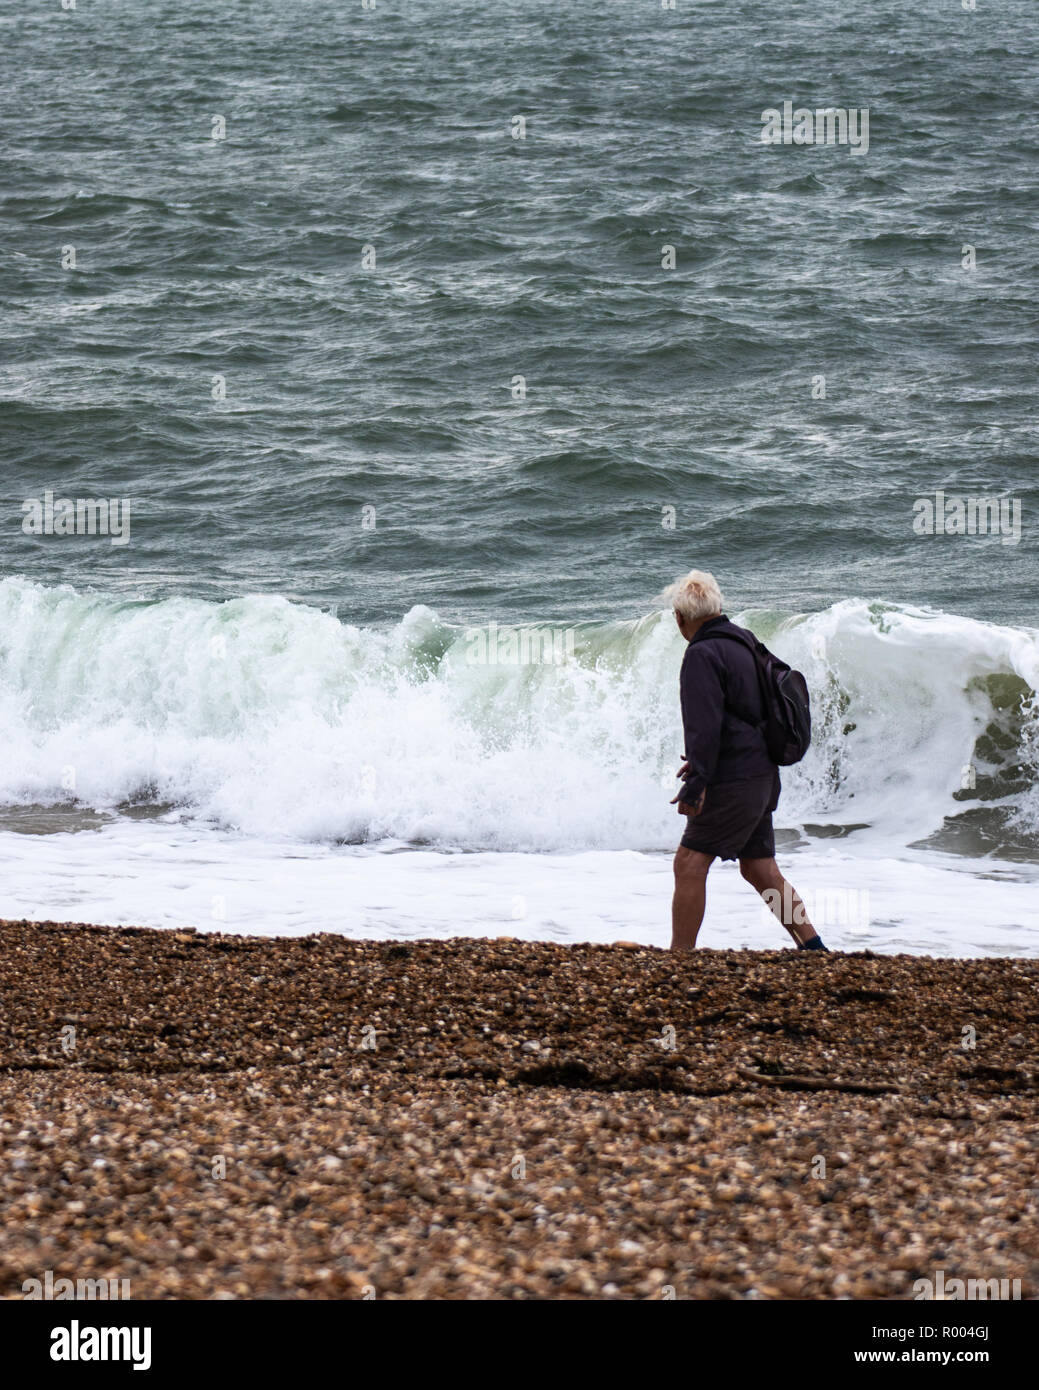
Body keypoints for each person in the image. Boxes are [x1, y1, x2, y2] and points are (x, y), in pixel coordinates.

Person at [661, 569, 828, 953]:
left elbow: (704, 726)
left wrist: (697, 781)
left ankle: (679, 957)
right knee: (759, 867)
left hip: (733, 778)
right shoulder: (747, 642)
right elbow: (743, 716)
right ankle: (813, 947)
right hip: (762, 774)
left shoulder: (701, 653)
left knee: (689, 862)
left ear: (680, 617)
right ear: (717, 607)